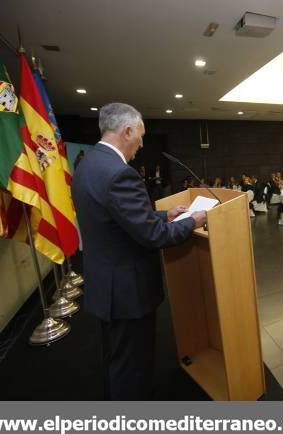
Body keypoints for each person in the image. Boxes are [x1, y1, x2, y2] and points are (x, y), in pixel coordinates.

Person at [71, 103, 208, 400]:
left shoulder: (87, 165)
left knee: (116, 357)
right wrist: (193, 222)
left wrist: (166, 214)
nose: (142, 143)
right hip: (127, 290)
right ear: (127, 130)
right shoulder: (120, 174)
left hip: (105, 282)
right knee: (131, 366)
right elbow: (152, 236)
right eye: (141, 136)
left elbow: (117, 219)